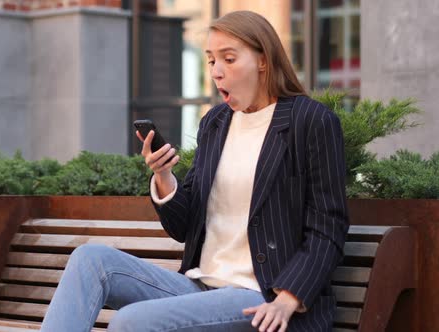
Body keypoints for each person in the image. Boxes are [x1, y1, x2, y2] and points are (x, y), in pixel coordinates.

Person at [40, 10, 348, 332]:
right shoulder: (215, 123)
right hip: (199, 287)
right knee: (90, 261)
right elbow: (185, 228)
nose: (216, 71)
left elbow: (328, 226)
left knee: (130, 322)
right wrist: (164, 177)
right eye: (212, 60)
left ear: (263, 60)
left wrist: (288, 298)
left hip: (260, 298)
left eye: (229, 59)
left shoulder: (309, 121)